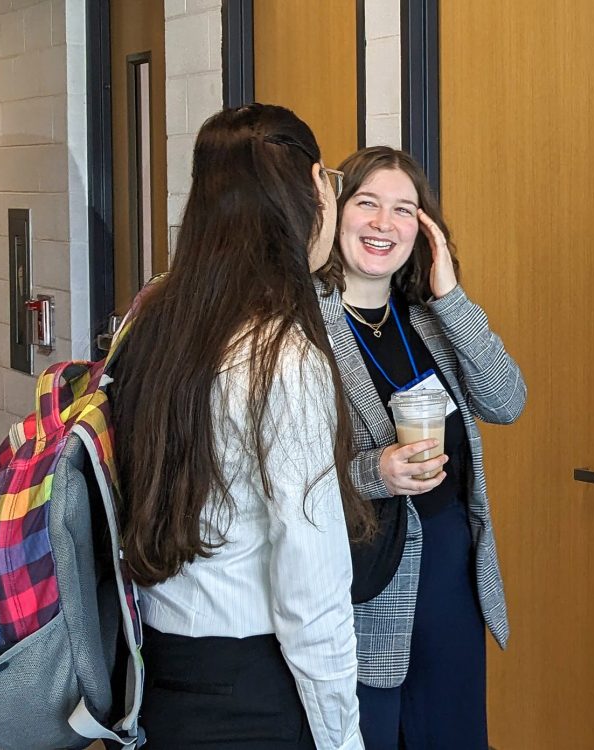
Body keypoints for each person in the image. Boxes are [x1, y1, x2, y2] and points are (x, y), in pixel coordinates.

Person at [110, 104, 372, 749]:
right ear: (316, 186)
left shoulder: (152, 322)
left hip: (156, 676)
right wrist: (341, 736)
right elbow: (310, 592)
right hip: (251, 695)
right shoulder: (282, 355)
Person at [314, 146, 526, 749]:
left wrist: (450, 295)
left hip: (449, 577)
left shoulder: (429, 320)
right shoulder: (303, 325)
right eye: (368, 204)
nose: (384, 224)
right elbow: (278, 473)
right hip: (363, 583)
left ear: (423, 228)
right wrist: (373, 471)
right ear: (334, 215)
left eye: (403, 210)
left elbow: (507, 400)